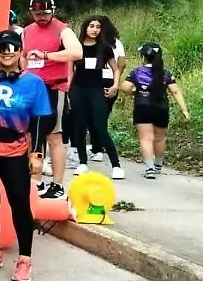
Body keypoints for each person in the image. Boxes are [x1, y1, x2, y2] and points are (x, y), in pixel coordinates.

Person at [0, 30, 52, 281]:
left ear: (20, 51)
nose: (7, 52)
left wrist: (36, 154)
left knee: (19, 204)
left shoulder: (33, 83)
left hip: (15, 149)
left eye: (12, 47)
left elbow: (39, 120)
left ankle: (25, 258)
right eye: (2, 48)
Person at [22, 0, 82, 199]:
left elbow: (77, 52)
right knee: (30, 135)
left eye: (45, 13)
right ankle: (34, 181)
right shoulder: (27, 31)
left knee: (54, 136)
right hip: (31, 89)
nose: (41, 17)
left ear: (53, 11)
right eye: (37, 13)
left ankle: (57, 184)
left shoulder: (62, 30)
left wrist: (47, 56)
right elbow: (22, 57)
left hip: (53, 88)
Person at [121, 43, 190, 178]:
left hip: (142, 106)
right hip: (161, 107)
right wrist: (184, 110)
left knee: (146, 139)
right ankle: (158, 165)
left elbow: (125, 87)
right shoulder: (165, 73)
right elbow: (175, 91)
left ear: (143, 57)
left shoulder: (137, 72)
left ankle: (149, 168)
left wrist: (133, 91)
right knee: (159, 138)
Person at [69, 16, 123, 179]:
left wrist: (115, 85)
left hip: (97, 90)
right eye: (91, 26)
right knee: (79, 126)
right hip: (78, 89)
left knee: (100, 127)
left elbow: (116, 69)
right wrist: (67, 90)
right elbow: (70, 70)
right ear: (85, 27)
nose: (94, 29)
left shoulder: (104, 48)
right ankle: (83, 163)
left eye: (98, 27)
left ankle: (116, 165)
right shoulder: (76, 47)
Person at [93, 15, 125, 161]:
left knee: (93, 115)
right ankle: (102, 145)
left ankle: (97, 148)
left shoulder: (95, 43)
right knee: (104, 114)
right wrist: (116, 80)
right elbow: (122, 63)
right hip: (111, 80)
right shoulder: (116, 43)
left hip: (97, 79)